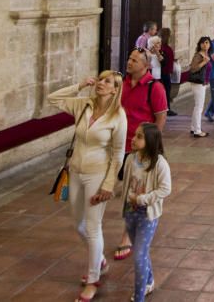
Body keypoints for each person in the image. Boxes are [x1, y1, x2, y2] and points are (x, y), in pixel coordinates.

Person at [47, 71, 127, 302]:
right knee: (79, 224)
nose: (101, 84)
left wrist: (108, 185)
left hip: (98, 175)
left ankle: (93, 280)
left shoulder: (118, 116)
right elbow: (53, 98)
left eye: (107, 82)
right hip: (76, 171)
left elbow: (118, 153)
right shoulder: (84, 105)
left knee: (93, 227)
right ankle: (99, 259)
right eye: (100, 79)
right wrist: (80, 85)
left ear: (115, 89)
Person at [114, 47, 168, 261]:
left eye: (135, 60)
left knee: (134, 192)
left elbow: (160, 117)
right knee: (123, 188)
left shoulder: (154, 87)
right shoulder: (123, 84)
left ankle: (127, 235)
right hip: (120, 146)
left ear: (146, 65)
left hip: (141, 148)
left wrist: (151, 147)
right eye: (129, 58)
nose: (130, 62)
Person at [120, 123, 171, 302]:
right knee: (140, 251)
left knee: (139, 254)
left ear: (150, 140)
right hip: (130, 212)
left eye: (139, 136)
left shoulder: (160, 164)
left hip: (147, 215)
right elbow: (126, 184)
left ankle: (139, 296)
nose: (133, 139)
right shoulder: (130, 160)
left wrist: (142, 199)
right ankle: (149, 280)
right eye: (135, 135)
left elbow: (165, 189)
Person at [188, 36, 212, 137]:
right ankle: (197, 131)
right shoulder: (199, 55)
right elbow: (193, 68)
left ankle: (193, 128)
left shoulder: (206, 54)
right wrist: (204, 62)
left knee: (197, 106)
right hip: (197, 83)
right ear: (199, 44)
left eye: (207, 43)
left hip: (202, 83)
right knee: (199, 107)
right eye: (202, 43)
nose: (205, 44)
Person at [157, 28, 177, 116]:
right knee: (165, 91)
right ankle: (166, 109)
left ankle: (166, 108)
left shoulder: (164, 47)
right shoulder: (163, 48)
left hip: (164, 72)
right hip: (163, 73)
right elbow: (163, 61)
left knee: (166, 91)